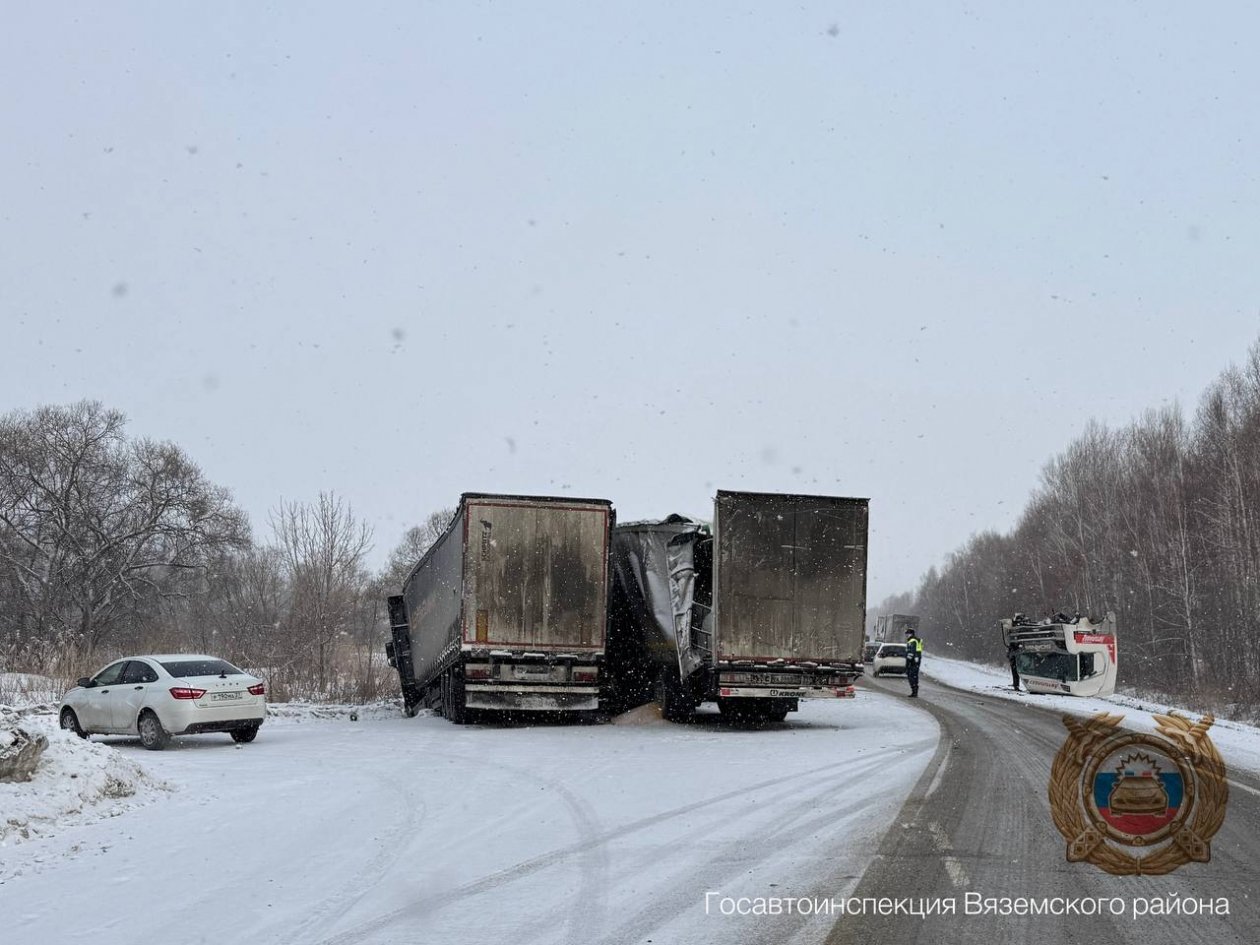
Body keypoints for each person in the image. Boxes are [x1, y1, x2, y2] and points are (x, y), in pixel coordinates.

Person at [904, 626, 923, 697]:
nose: (906, 635)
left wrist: (908, 662)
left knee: (912, 676)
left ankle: (914, 692)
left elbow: (911, 652)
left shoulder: (912, 641)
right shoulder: (916, 640)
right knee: (914, 676)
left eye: (907, 634)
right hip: (916, 661)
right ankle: (915, 691)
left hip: (913, 661)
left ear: (911, 634)